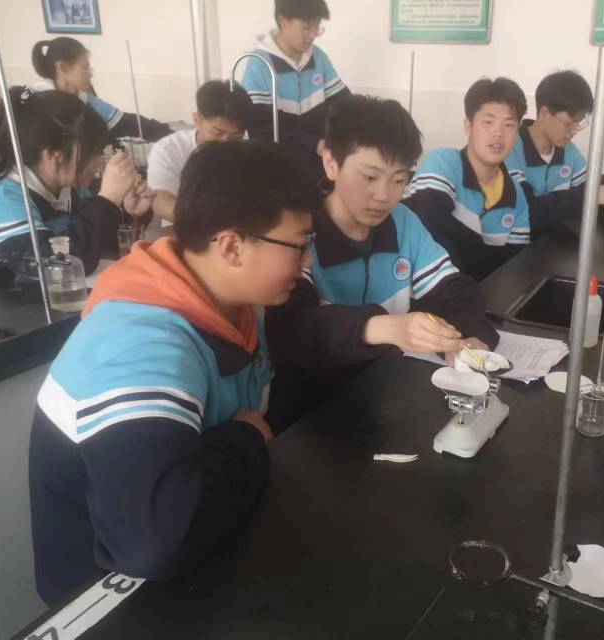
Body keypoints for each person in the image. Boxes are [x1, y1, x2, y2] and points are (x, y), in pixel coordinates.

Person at [29, 139, 321, 606]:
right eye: (299, 246)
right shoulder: (140, 343)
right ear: (231, 246)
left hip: (202, 551)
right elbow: (156, 542)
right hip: (107, 600)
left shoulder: (231, 303)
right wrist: (246, 439)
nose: (307, 262)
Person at [266, 95, 497, 427]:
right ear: (331, 163)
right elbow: (294, 330)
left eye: (399, 180)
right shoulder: (300, 232)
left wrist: (470, 336)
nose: (384, 196)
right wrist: (386, 327)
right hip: (310, 414)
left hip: (385, 399)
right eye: (369, 177)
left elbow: (456, 291)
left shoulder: (403, 223)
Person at [0, 87, 153, 276]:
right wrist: (108, 200)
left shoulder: (68, 189)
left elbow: (97, 245)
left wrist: (129, 213)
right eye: (91, 152)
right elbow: (59, 267)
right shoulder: (0, 199)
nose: (98, 162)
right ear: (53, 154)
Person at [404, 77, 531, 282]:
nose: (498, 133)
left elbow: (513, 267)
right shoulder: (441, 165)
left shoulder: (516, 196)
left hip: (482, 295)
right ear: (468, 126)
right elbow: (435, 246)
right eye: (488, 122)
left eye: (509, 125)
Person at [505, 71, 604, 235]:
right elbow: (528, 212)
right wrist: (591, 196)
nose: (574, 132)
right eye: (568, 124)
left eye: (578, 124)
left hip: (553, 243)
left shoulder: (568, 151)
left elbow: (589, 185)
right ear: (544, 113)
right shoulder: (509, 150)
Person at [241, 0, 349, 169]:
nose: (312, 35)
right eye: (306, 28)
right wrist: (314, 144)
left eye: (316, 28)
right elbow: (260, 128)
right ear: (284, 21)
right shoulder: (260, 64)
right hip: (278, 164)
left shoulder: (318, 57)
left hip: (319, 162)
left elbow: (343, 104)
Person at [147, 80, 253, 229]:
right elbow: (161, 201)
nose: (225, 142)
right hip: (185, 230)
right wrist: (210, 221)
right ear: (197, 120)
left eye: (235, 137)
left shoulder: (247, 152)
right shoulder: (169, 149)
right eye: (217, 132)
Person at [31, 37, 171, 141]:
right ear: (63, 67)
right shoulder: (39, 103)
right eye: (85, 68)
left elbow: (128, 123)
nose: (90, 74)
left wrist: (169, 134)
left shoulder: (85, 99)